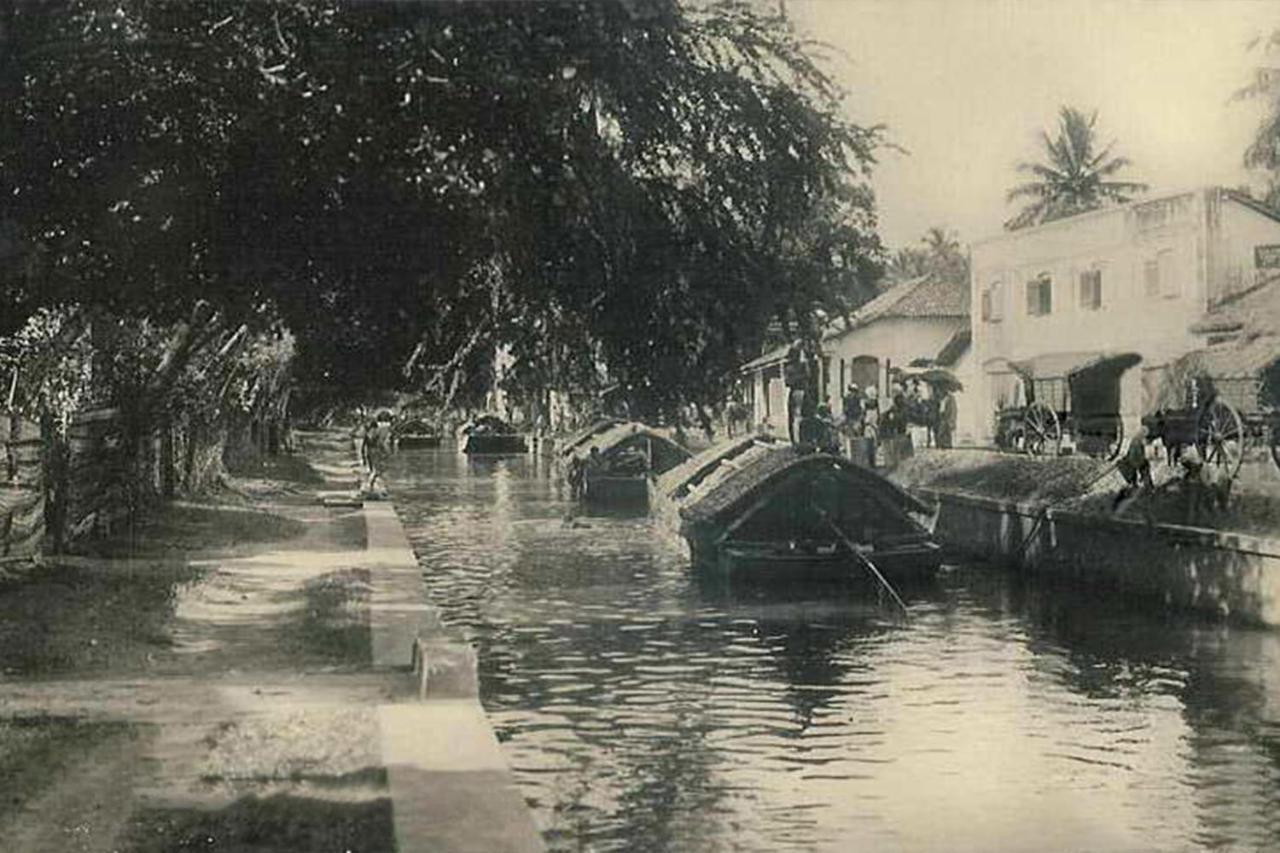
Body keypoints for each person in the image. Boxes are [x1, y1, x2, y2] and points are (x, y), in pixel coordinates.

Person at [1112, 424, 1153, 512]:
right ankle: (1146, 487)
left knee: (1143, 470)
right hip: (1134, 462)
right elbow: (1135, 455)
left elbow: (1138, 454)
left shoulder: (1137, 440)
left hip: (1135, 462)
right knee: (1143, 470)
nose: (1145, 436)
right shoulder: (1136, 442)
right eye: (1144, 434)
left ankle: (1144, 486)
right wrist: (1140, 462)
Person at [361, 410, 395, 496]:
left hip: (371, 452)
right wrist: (387, 452)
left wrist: (364, 457)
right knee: (378, 471)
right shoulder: (382, 430)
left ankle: (371, 487)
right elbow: (381, 443)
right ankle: (369, 487)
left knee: (376, 470)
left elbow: (364, 445)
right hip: (377, 452)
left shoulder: (371, 432)